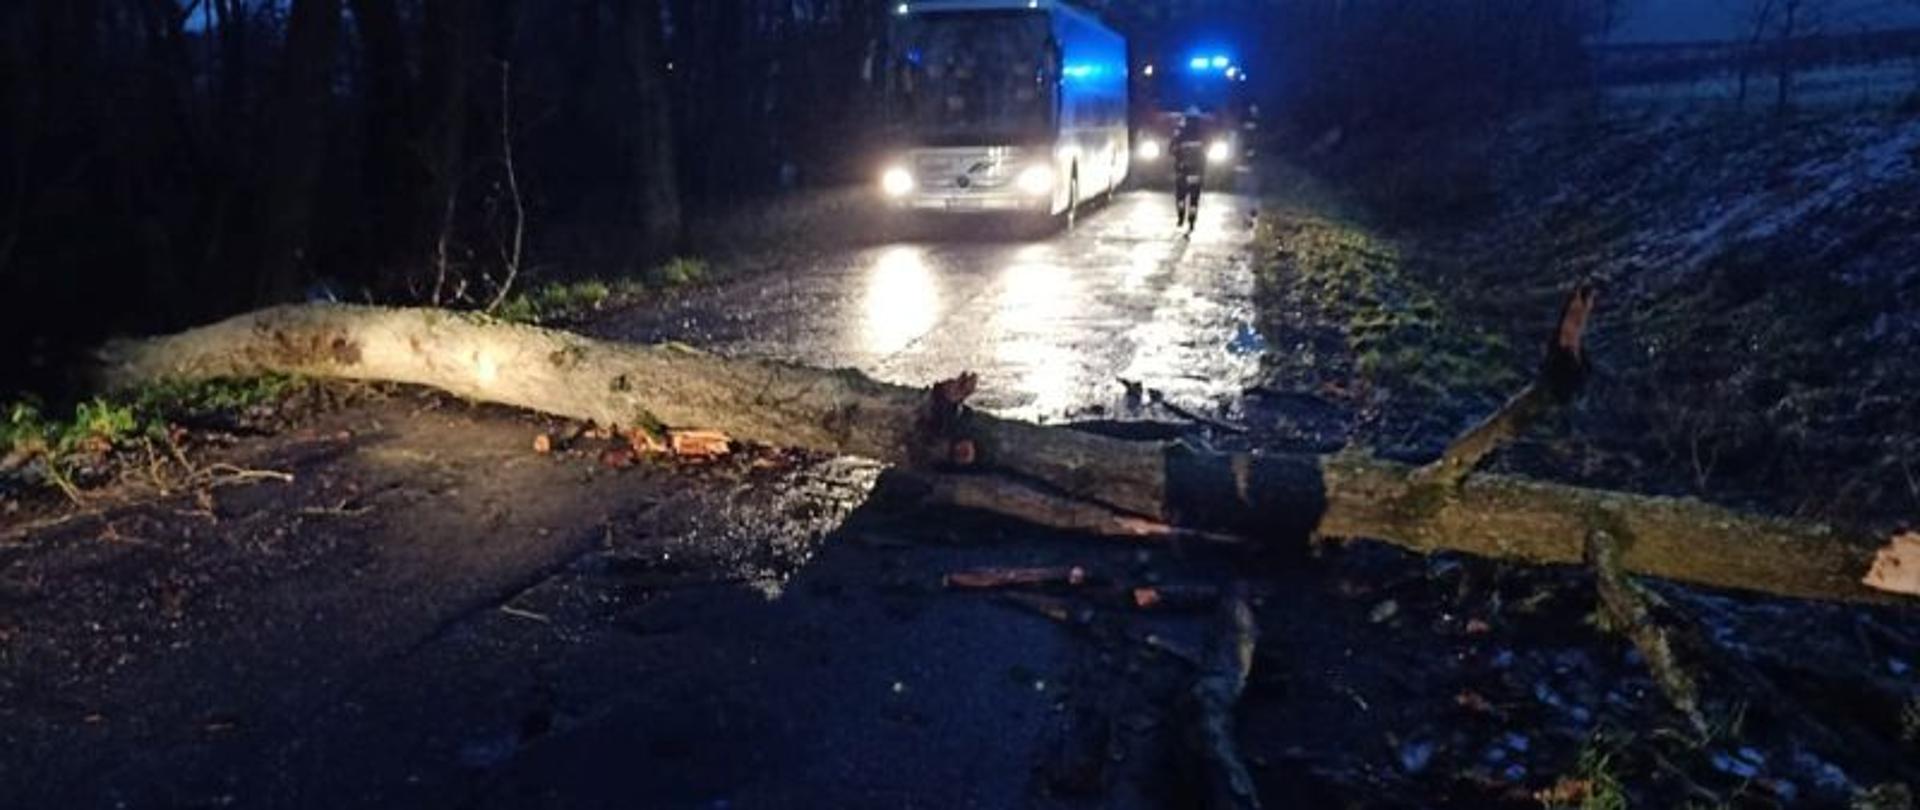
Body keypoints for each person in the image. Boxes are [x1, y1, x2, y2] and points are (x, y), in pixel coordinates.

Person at [1170, 112, 1208, 233]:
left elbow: (1171, 150)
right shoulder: (1202, 135)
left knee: (1180, 197)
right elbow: (1206, 155)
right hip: (1197, 173)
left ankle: (1181, 216)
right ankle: (1192, 220)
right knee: (1194, 200)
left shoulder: (1180, 134)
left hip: (1182, 172)